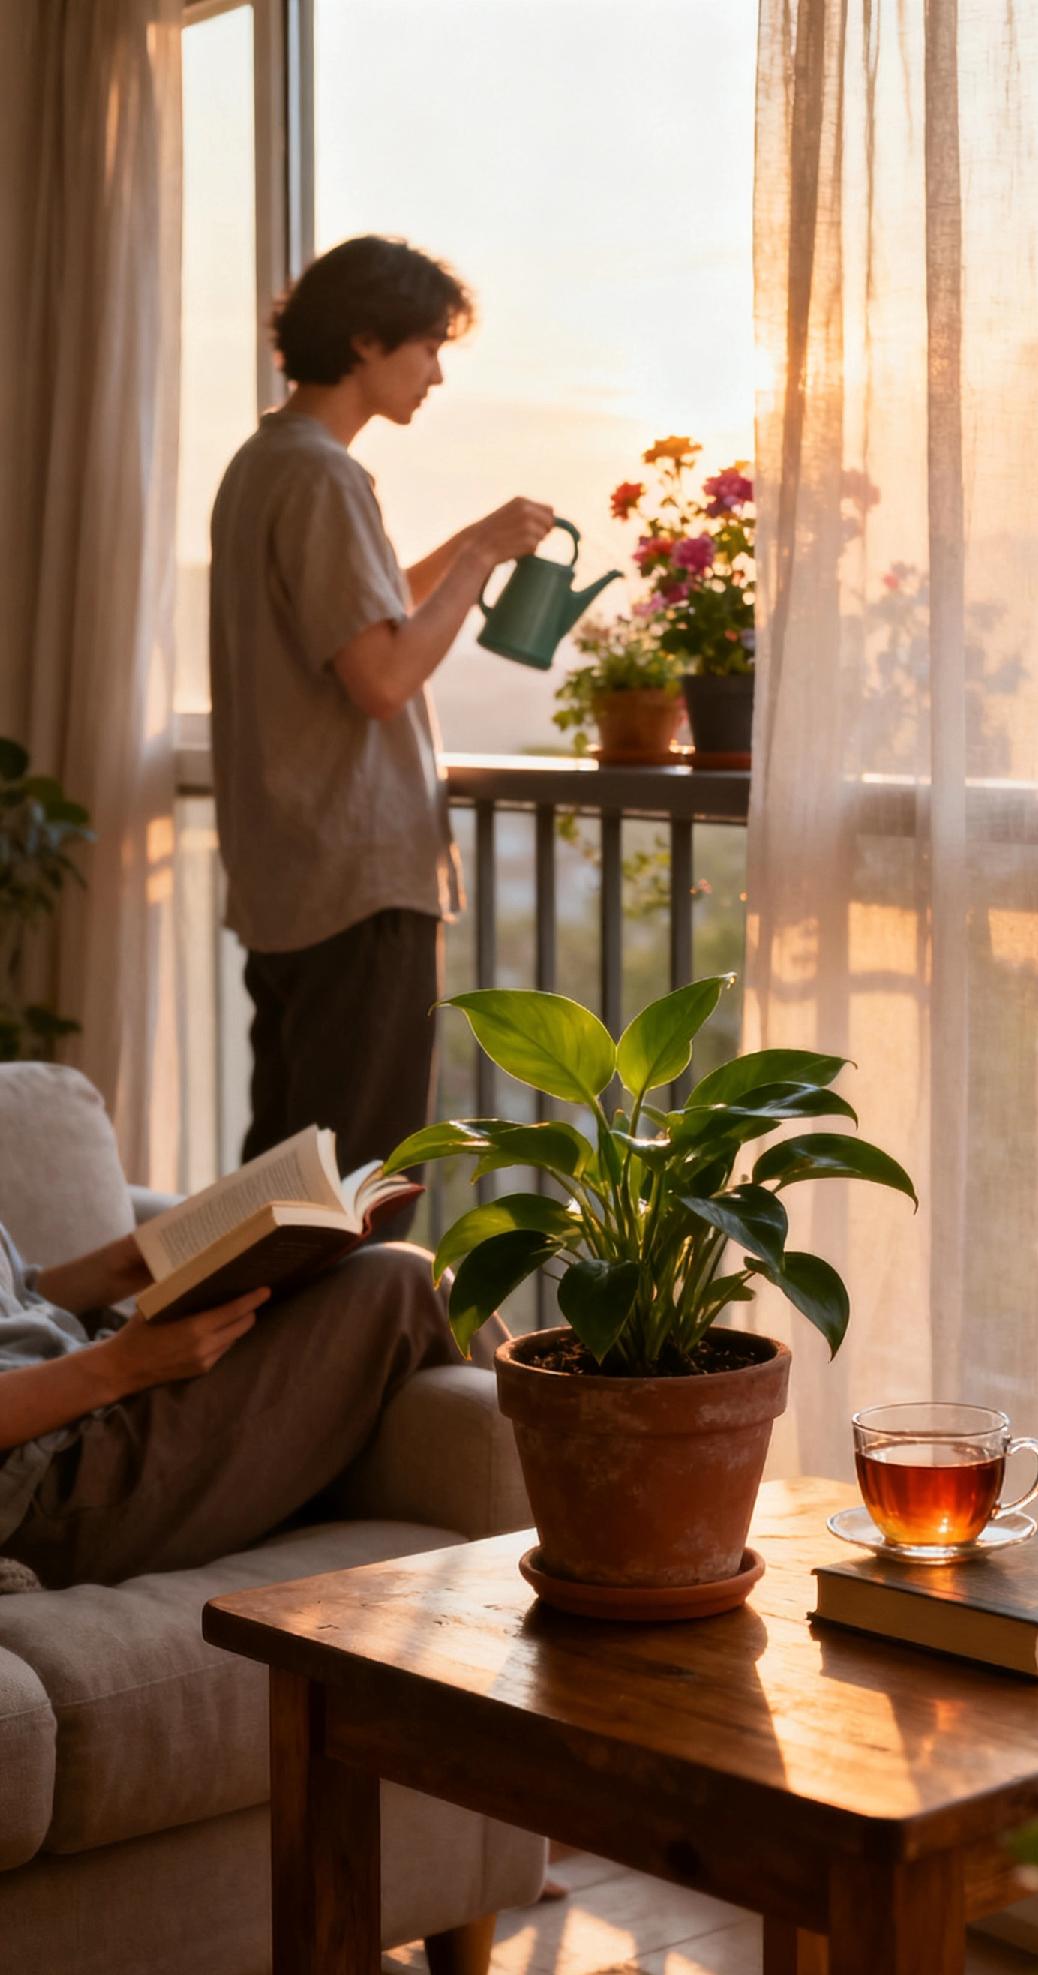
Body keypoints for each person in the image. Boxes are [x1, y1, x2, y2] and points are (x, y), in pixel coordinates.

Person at [208, 234, 554, 1230]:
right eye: (427, 347)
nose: (437, 373)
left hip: (290, 880)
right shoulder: (323, 477)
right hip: (356, 882)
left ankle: (244, 1382)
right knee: (358, 1194)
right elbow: (384, 675)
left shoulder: (265, 463)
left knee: (279, 1188)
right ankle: (341, 1381)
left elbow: (364, 616)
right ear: (366, 339)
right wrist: (485, 552)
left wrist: (470, 547)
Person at [0, 1217, 471, 1589]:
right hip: (44, 1469)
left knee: (351, 1278)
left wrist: (128, 1264)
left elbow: (17, 1305)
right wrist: (122, 1365)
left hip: (84, 1375)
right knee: (404, 1283)